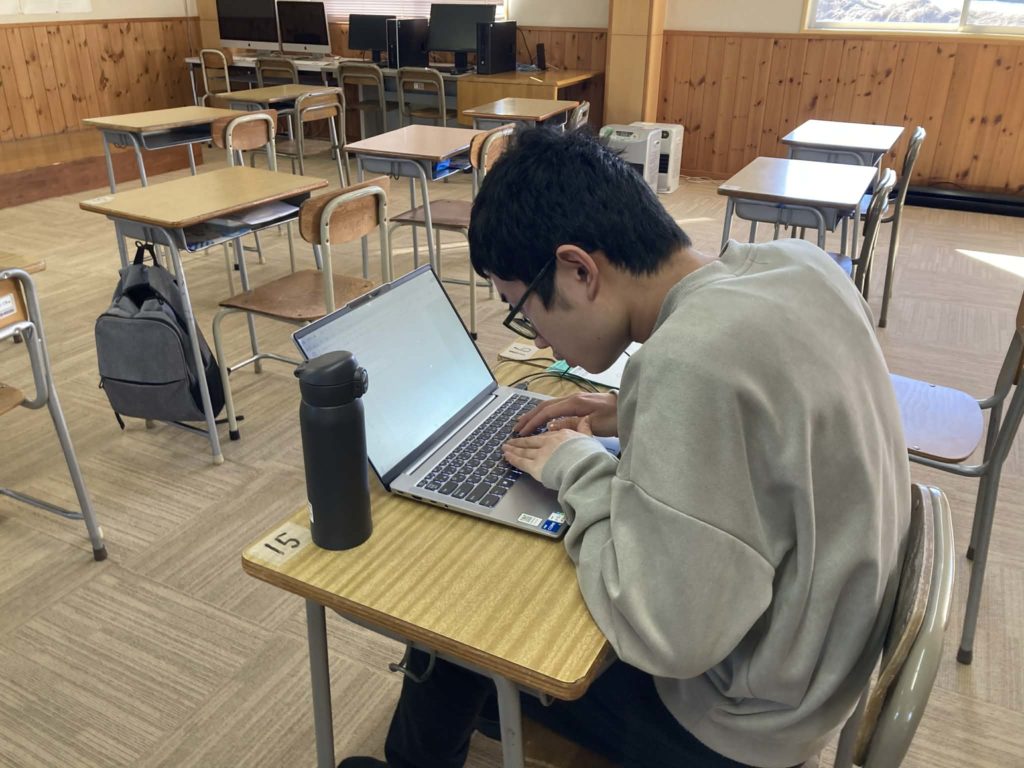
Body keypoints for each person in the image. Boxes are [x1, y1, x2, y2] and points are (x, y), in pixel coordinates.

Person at [340, 128, 910, 768]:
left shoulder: (692, 362)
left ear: (580, 270)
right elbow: (773, 425)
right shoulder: (797, 265)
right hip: (809, 662)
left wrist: (576, 466)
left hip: (737, 721)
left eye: (522, 310)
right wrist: (638, 413)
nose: (541, 342)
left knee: (457, 616)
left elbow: (667, 634)